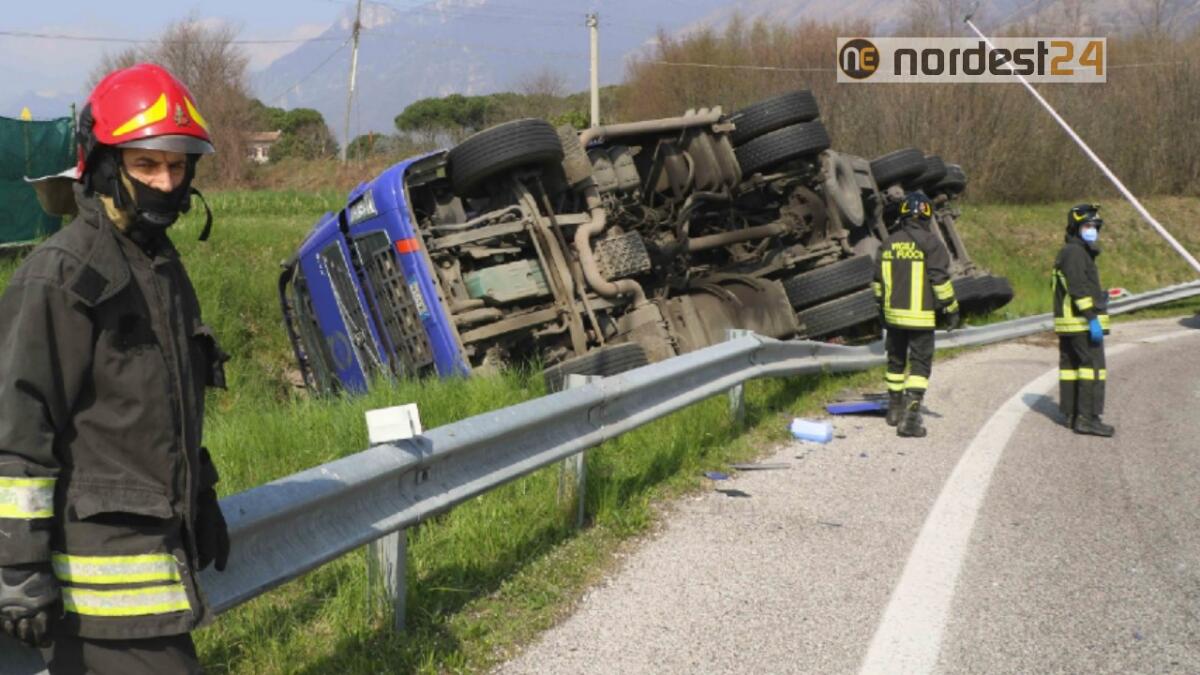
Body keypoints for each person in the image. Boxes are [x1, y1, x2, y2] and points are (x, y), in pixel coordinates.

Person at [0, 63, 230, 674]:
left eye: (178, 166)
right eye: (146, 165)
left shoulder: (158, 267)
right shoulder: (65, 275)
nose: (166, 182)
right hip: (101, 594)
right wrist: (17, 567)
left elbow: (163, 409)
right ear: (105, 164)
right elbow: (17, 431)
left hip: (156, 571)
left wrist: (200, 494)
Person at [873, 192, 960, 438]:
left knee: (896, 363)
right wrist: (951, 309)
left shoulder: (887, 243)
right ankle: (910, 420)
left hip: (893, 319)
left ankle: (894, 410)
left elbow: (877, 284)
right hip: (920, 318)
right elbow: (940, 280)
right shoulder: (932, 243)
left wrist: (881, 310)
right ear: (926, 215)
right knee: (920, 365)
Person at [1053, 203, 1114, 437]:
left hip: (1070, 322)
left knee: (1071, 368)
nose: (1093, 230)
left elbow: (1075, 286)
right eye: (1088, 225)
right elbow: (1078, 288)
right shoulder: (1076, 253)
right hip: (1081, 323)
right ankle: (1087, 419)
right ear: (1076, 226)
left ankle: (1071, 414)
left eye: (1095, 226)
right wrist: (1091, 318)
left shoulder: (1072, 251)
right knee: (1092, 369)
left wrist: (1099, 295)